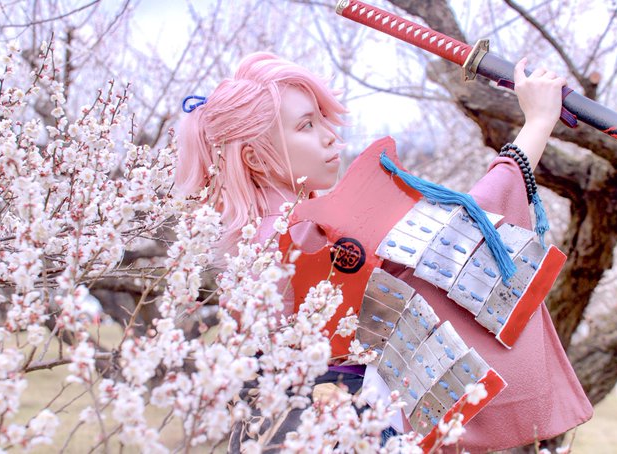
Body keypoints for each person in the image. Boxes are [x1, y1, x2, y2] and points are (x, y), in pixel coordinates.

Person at [176, 52, 593, 452]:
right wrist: (537, 122)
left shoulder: (246, 250)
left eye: (322, 118)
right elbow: (463, 237)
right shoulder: (308, 237)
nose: (329, 135)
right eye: (305, 125)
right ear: (253, 157)